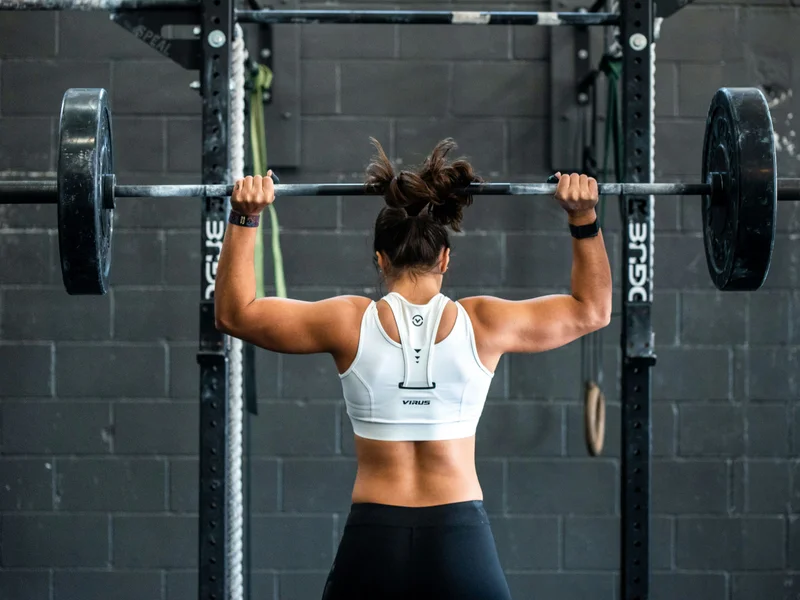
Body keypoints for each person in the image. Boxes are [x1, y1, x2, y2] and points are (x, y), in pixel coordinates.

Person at [214, 139, 612, 600]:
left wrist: (246, 217)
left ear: (379, 259)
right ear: (445, 258)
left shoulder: (348, 322)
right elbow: (592, 310)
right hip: (460, 537)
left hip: (374, 540)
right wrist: (583, 218)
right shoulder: (484, 323)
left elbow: (234, 314)